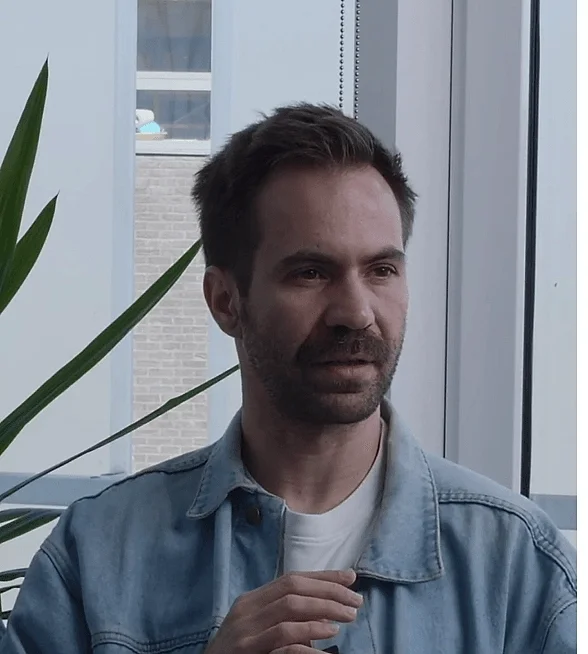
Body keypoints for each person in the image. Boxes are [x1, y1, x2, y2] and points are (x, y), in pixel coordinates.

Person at [0, 104, 576, 653]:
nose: (356, 312)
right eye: (310, 273)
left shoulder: (513, 560)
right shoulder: (99, 553)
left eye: (381, 270)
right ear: (225, 300)